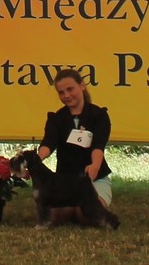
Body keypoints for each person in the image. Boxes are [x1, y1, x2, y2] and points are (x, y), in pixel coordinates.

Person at [38, 68, 114, 207]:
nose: (66, 95)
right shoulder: (56, 119)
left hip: (95, 179)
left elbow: (98, 145)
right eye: (61, 92)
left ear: (82, 86)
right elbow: (49, 142)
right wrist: (37, 159)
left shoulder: (99, 115)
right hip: (65, 180)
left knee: (89, 210)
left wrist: (95, 166)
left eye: (70, 89)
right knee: (63, 212)